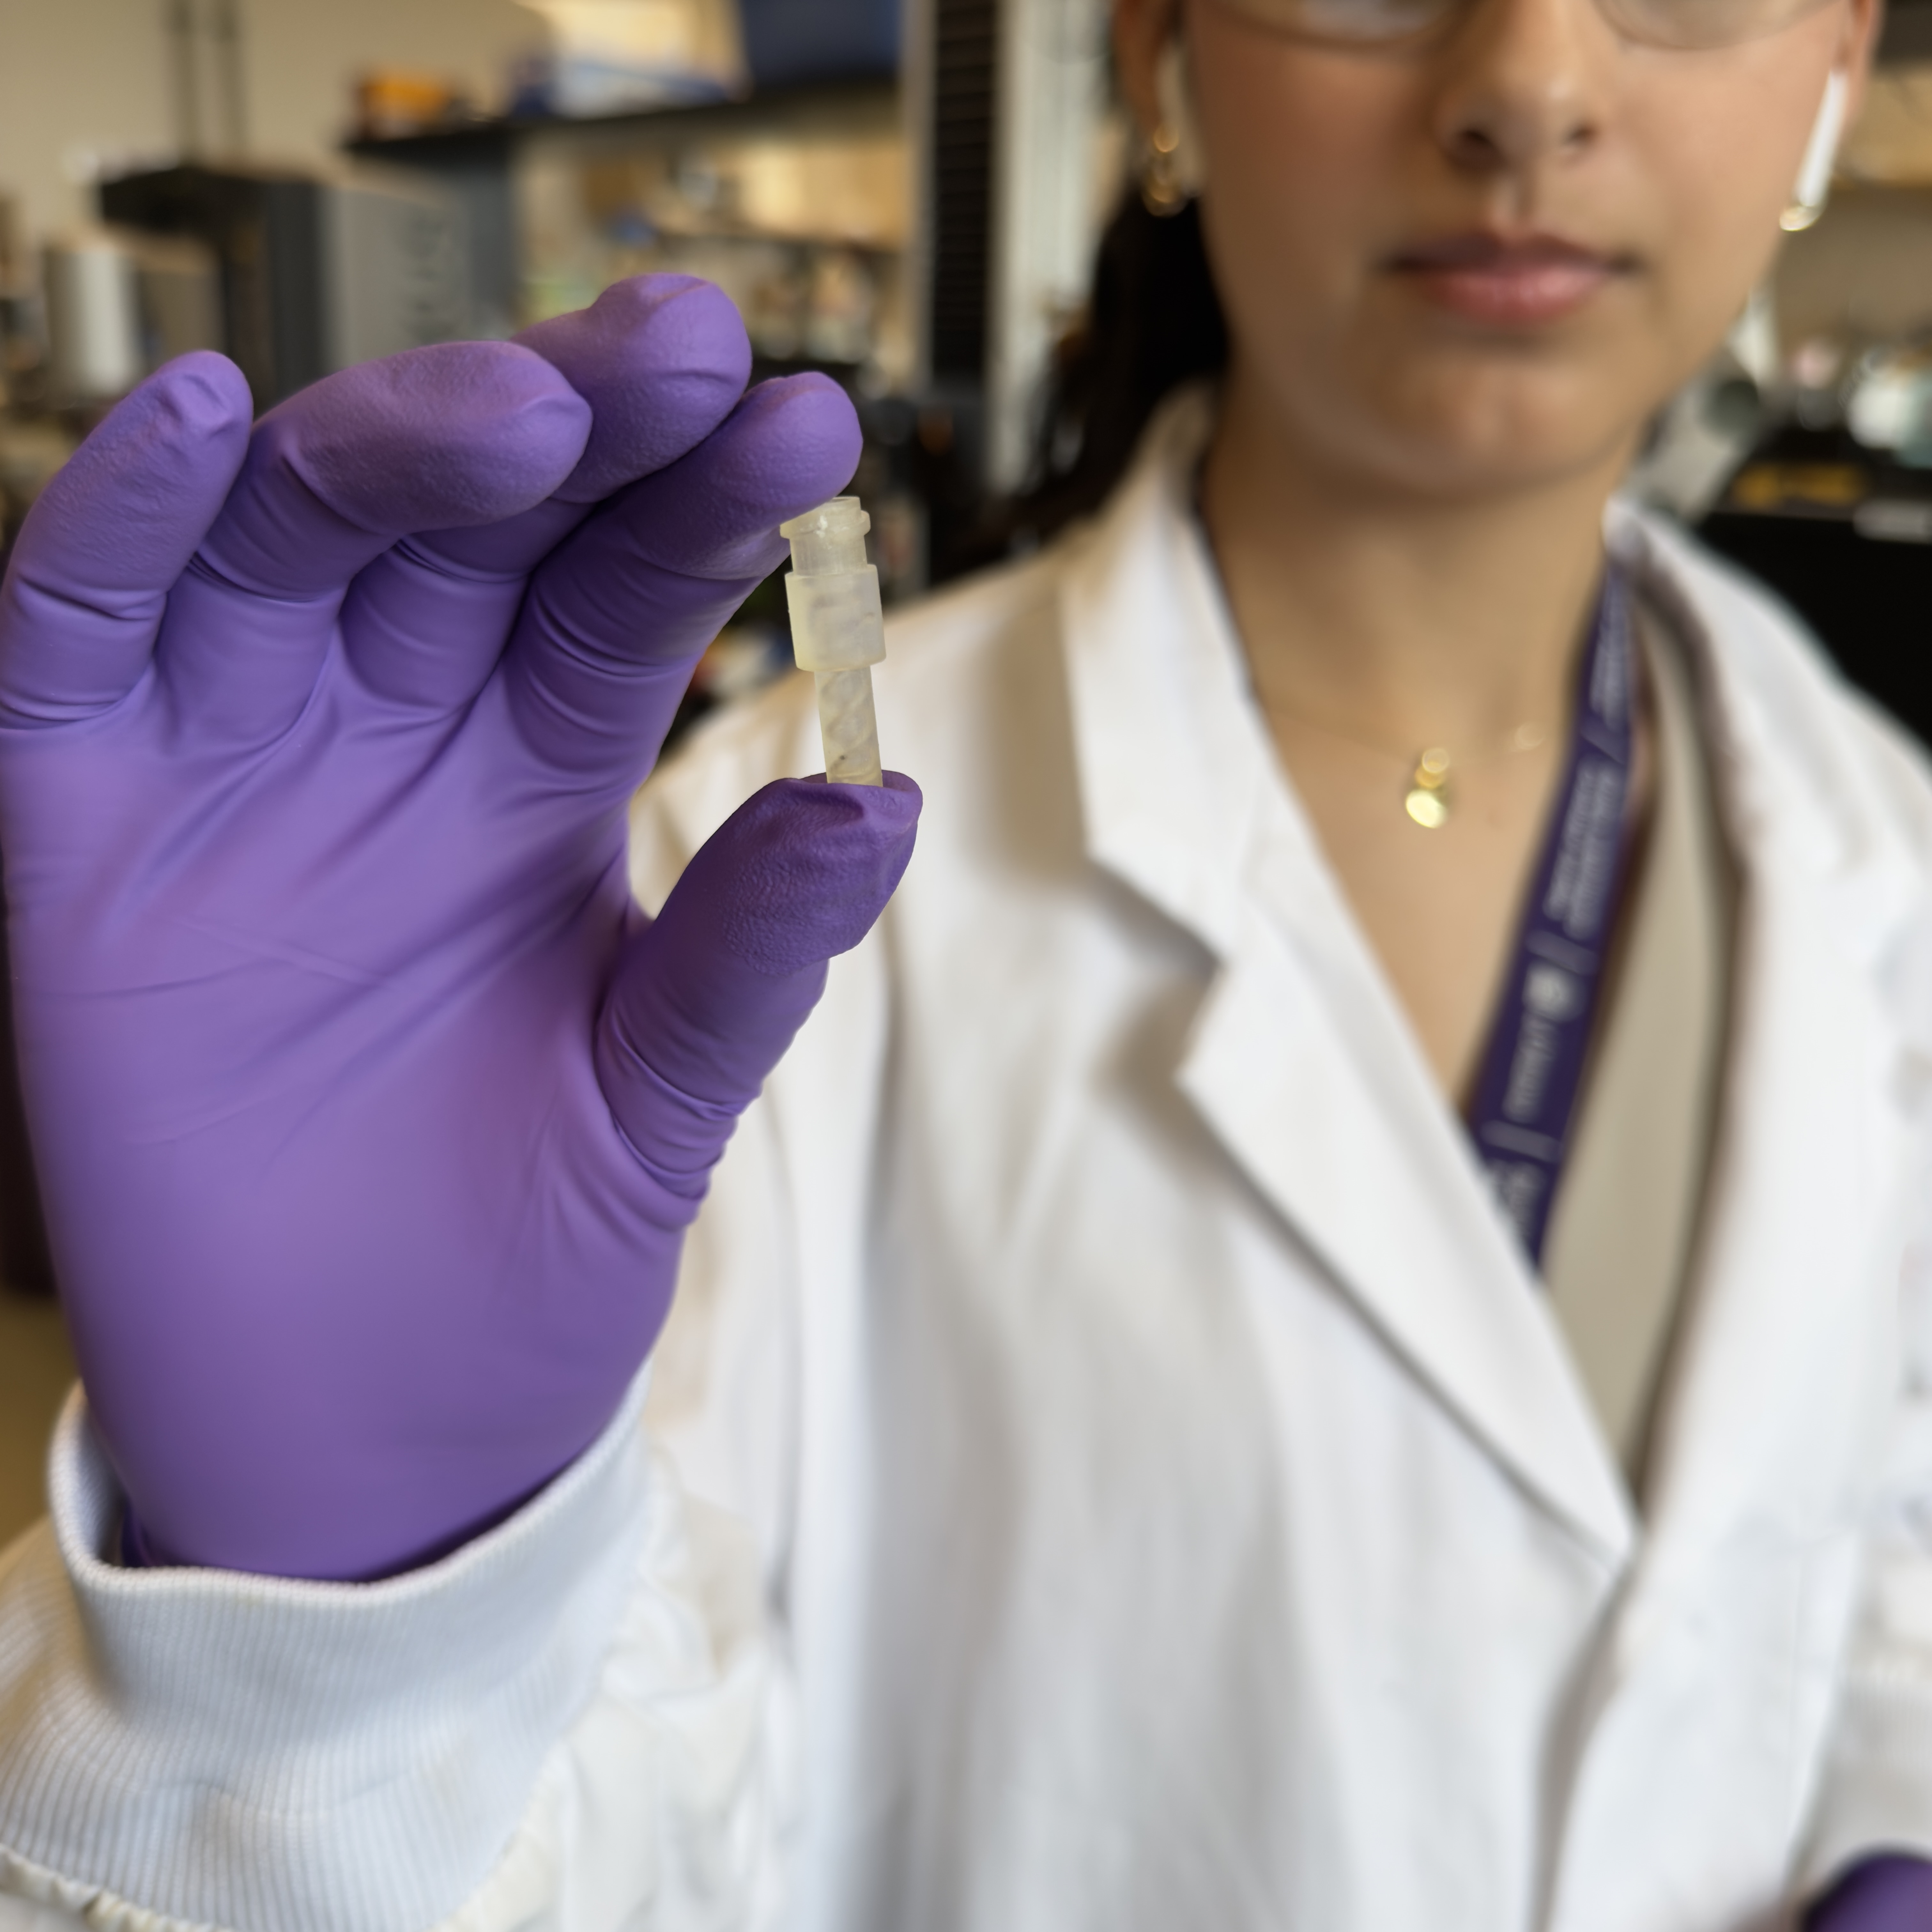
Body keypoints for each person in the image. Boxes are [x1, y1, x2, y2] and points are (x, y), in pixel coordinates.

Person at [0, 0, 1927, 1919]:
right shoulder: (712, 920)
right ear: (1162, 57)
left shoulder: (1884, 851)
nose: (1532, 85)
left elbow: (1878, 1564)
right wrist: (346, 1660)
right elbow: (623, 1846)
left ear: (1839, 61)